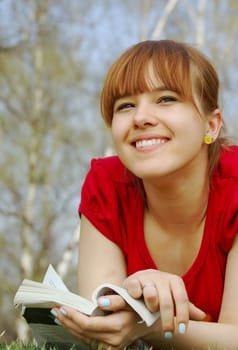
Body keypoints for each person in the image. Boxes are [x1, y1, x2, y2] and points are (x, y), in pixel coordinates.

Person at [51, 40, 238, 349]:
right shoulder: (106, 185)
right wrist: (129, 303)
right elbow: (102, 319)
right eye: (125, 105)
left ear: (211, 125)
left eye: (165, 99)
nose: (141, 118)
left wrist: (147, 325)